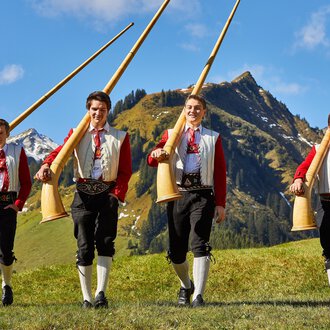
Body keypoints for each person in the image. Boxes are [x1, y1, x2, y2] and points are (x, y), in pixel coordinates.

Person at [35, 91, 132, 309]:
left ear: (108, 111)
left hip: (107, 194)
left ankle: (101, 293)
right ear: (88, 110)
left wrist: (116, 195)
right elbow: (60, 153)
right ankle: (86, 297)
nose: (98, 113)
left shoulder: (120, 137)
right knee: (84, 245)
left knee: (106, 242)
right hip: (83, 195)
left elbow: (125, 171)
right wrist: (45, 165)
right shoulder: (77, 133)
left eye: (102, 110)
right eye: (94, 109)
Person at [147, 94, 226, 307]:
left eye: (198, 108)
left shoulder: (213, 137)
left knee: (200, 243)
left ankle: (199, 296)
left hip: (203, 194)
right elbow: (153, 159)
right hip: (177, 194)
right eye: (189, 107)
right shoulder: (172, 134)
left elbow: (219, 171)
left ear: (204, 112)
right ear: (184, 110)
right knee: (176, 251)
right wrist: (156, 152)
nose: (193, 111)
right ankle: (186, 284)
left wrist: (221, 203)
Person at [290, 114, 330, 277]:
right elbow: (304, 167)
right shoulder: (318, 148)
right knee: (328, 247)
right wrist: (298, 178)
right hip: (326, 203)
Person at [0, 119, 32, 306]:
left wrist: (18, 204)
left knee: (6, 248)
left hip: (7, 205)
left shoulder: (17, 151)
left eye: (1, 133)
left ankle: (7, 285)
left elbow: (26, 182)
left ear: (7, 134)